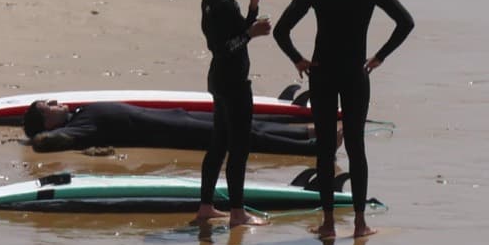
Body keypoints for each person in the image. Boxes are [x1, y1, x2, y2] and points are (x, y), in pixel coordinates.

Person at [273, 0, 413, 241]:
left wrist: (298, 59)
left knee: (324, 150)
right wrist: (379, 57)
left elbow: (282, 31)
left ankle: (328, 225)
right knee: (356, 147)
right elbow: (405, 22)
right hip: (355, 74)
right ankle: (361, 224)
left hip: (322, 75)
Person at [195, 0, 274, 227]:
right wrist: (251, 33)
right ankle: (238, 214)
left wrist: (252, 10)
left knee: (218, 144)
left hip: (222, 80)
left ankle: (206, 207)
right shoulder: (221, 3)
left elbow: (236, 31)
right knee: (238, 147)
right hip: (231, 83)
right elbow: (222, 47)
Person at [20, 99, 320, 156]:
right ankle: (312, 149)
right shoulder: (78, 129)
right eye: (50, 106)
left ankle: (308, 130)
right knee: (243, 137)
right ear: (48, 121)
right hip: (175, 131)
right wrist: (36, 140)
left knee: (241, 123)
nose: (57, 102)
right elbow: (49, 142)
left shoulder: (78, 116)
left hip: (174, 116)